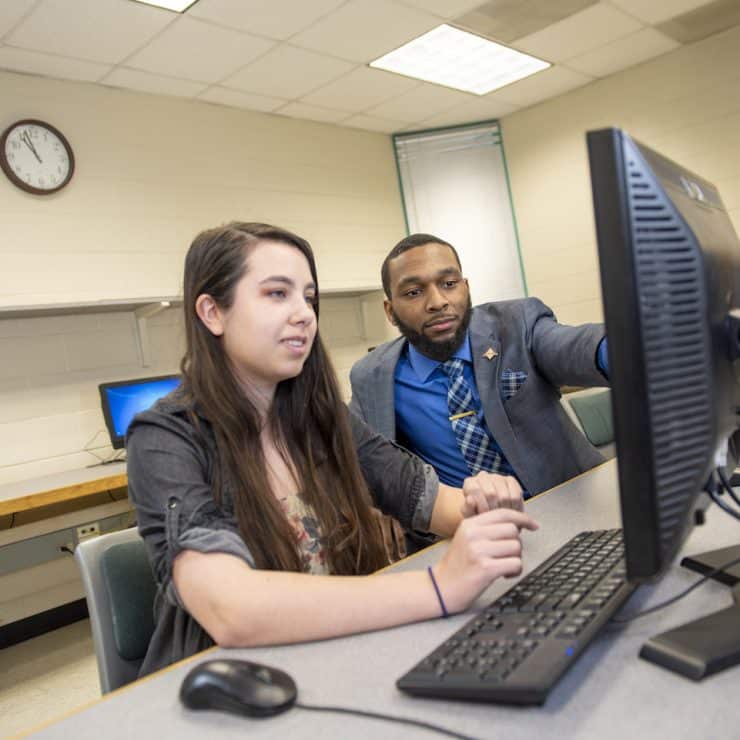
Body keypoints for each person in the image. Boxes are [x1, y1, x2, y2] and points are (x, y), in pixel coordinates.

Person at [126, 222, 538, 676]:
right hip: (236, 685)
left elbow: (434, 502)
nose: (304, 313)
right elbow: (231, 608)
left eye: (308, 297)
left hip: (336, 660)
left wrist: (488, 505)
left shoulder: (323, 417)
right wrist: (440, 586)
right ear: (212, 313)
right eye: (277, 294)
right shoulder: (164, 438)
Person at [349, 233, 610, 515]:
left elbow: (575, 347)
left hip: (574, 506)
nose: (437, 302)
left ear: (466, 288)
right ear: (390, 310)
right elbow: (355, 457)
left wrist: (630, 346)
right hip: (469, 533)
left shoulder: (516, 325)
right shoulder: (373, 377)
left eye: (449, 284)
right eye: (414, 292)